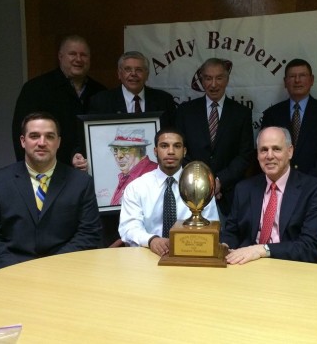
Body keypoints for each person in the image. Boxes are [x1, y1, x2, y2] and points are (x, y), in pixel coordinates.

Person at [0, 112, 101, 274]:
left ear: (58, 142)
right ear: (23, 141)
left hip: (65, 271)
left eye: (49, 136)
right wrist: (17, 270)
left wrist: (52, 267)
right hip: (9, 271)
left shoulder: (81, 183)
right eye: (34, 136)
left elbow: (89, 234)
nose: (42, 143)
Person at [220, 127, 317, 265]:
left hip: (296, 268)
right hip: (250, 268)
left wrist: (262, 250)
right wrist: (223, 247)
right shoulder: (244, 189)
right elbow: (232, 232)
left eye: (276, 149)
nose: (269, 156)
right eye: (264, 150)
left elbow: (311, 247)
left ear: (290, 152)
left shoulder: (315, 190)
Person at [119, 128, 219, 256]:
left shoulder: (201, 185)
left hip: (192, 255)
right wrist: (151, 240)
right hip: (148, 255)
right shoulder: (136, 187)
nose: (171, 151)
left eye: (177, 146)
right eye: (164, 146)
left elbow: (212, 225)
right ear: (155, 151)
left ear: (184, 151)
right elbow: (129, 228)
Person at [12, 35, 106, 170]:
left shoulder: (100, 91)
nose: (78, 59)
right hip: (49, 172)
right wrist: (28, 172)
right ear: (60, 57)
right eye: (72, 54)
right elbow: (20, 132)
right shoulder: (36, 88)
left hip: (91, 173)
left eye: (83, 55)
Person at [176, 58, 254, 219]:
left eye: (219, 78)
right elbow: (180, 151)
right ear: (202, 80)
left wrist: (219, 181)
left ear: (227, 79)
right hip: (192, 195)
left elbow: (245, 155)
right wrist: (202, 183)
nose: (213, 84)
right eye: (208, 78)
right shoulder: (185, 112)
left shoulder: (241, 113)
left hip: (229, 195)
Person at [261, 58, 317, 181]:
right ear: (285, 82)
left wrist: (306, 184)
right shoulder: (272, 115)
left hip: (315, 187)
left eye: (302, 75)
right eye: (292, 76)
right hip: (279, 184)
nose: (297, 80)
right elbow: (266, 153)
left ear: (312, 80)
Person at [89, 51, 177, 128]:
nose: (133, 74)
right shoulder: (101, 101)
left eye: (139, 70)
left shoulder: (164, 100)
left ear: (147, 75)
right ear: (119, 74)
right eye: (128, 69)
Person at [108, 127, 157, 205]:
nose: (119, 155)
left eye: (125, 149)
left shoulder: (155, 173)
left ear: (140, 150)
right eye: (115, 150)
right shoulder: (126, 175)